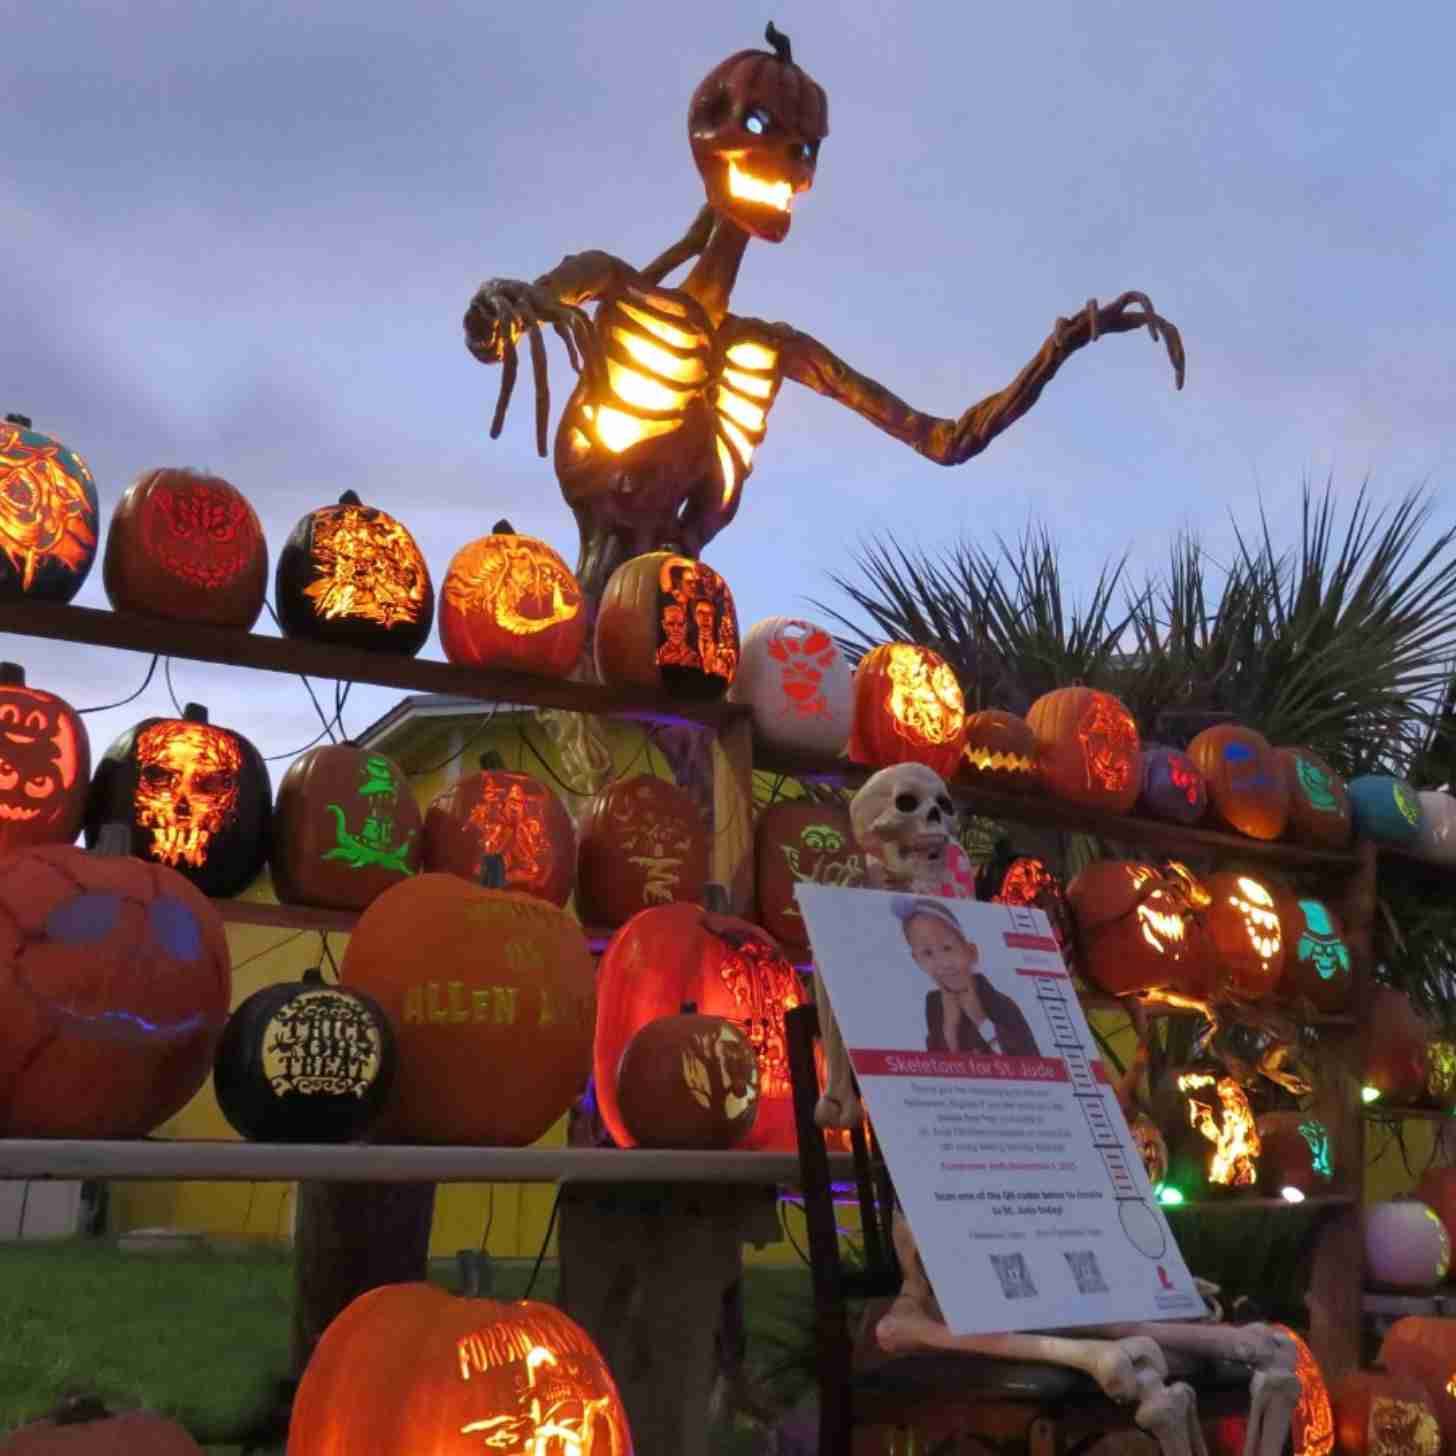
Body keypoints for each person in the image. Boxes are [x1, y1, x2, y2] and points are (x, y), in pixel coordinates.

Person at [892, 897, 1041, 1056]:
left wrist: (980, 1019)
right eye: (927, 953)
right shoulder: (935, 1005)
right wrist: (949, 1027)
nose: (943, 963)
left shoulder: (1002, 1005)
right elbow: (938, 1071)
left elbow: (1027, 1065)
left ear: (971, 952)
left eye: (948, 948)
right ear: (918, 961)